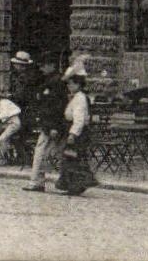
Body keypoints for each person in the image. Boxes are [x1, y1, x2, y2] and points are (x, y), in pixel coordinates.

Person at [23, 57, 67, 193]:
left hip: (52, 124)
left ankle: (37, 181)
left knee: (42, 153)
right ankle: (63, 181)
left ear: (52, 65)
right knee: (55, 154)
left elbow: (57, 106)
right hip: (49, 123)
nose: (41, 69)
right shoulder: (50, 80)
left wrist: (53, 126)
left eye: (44, 65)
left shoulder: (56, 82)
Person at [55, 62, 94, 196]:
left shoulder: (80, 99)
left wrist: (73, 134)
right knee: (71, 158)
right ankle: (73, 185)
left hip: (77, 132)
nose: (68, 86)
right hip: (73, 129)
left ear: (78, 84)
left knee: (72, 159)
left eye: (71, 84)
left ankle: (75, 185)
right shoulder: (76, 97)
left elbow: (79, 119)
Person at [0, 51, 38, 164]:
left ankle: (20, 157)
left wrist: (8, 96)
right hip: (20, 111)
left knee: (16, 134)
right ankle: (19, 157)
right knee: (14, 134)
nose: (15, 66)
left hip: (23, 112)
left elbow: (21, 96)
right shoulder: (19, 76)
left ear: (22, 66)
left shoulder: (24, 78)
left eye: (17, 64)